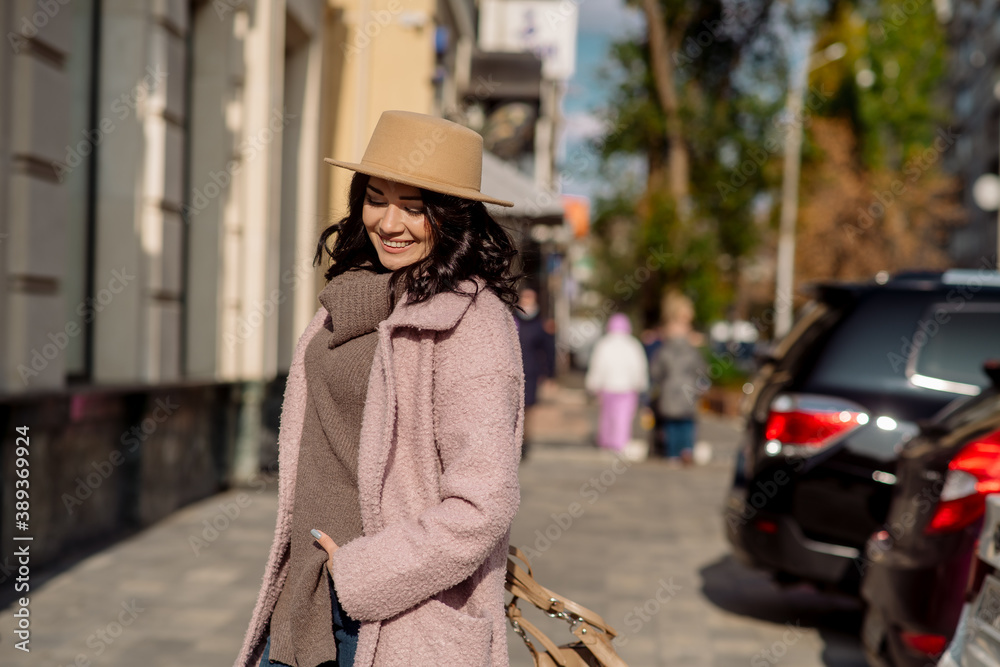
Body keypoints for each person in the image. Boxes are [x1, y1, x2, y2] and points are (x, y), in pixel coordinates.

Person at [234, 110, 524, 667]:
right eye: (376, 198)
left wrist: (363, 573)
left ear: (454, 217)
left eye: (415, 208)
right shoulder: (349, 298)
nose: (390, 223)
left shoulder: (471, 323)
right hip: (302, 598)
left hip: (393, 616)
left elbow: (484, 502)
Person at [650, 292, 707, 465]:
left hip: (670, 393)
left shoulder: (665, 350)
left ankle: (673, 453)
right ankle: (687, 449)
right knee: (687, 424)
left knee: (672, 425)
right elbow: (702, 370)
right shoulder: (692, 350)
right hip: (688, 392)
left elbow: (656, 371)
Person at [584, 313, 649, 452]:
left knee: (607, 416)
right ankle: (621, 442)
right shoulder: (633, 344)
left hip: (607, 387)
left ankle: (606, 441)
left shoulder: (604, 344)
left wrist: (593, 383)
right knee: (624, 417)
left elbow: (597, 365)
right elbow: (639, 366)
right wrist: (640, 383)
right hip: (628, 388)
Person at [514, 287, 554, 458]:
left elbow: (548, 351)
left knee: (527, 411)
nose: (527, 301)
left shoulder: (541, 325)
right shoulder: (512, 321)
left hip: (531, 374)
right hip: (512, 372)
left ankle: (524, 443)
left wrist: (550, 375)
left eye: (530, 298)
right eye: (524, 298)